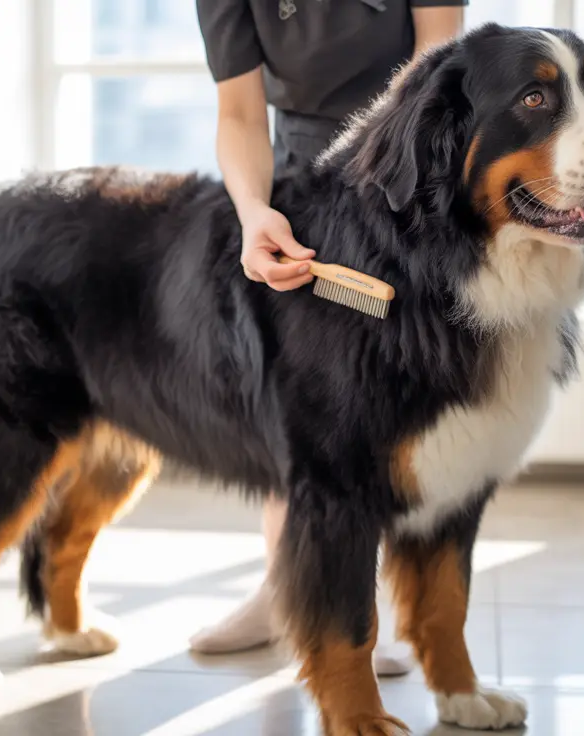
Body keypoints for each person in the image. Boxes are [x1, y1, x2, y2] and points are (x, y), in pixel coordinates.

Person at [189, 0, 467, 675]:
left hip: (411, 175)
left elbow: (432, 72)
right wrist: (253, 214)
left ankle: (356, 610)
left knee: (393, 416)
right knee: (301, 412)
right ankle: (285, 591)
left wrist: (376, 187)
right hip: (298, 188)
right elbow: (239, 114)